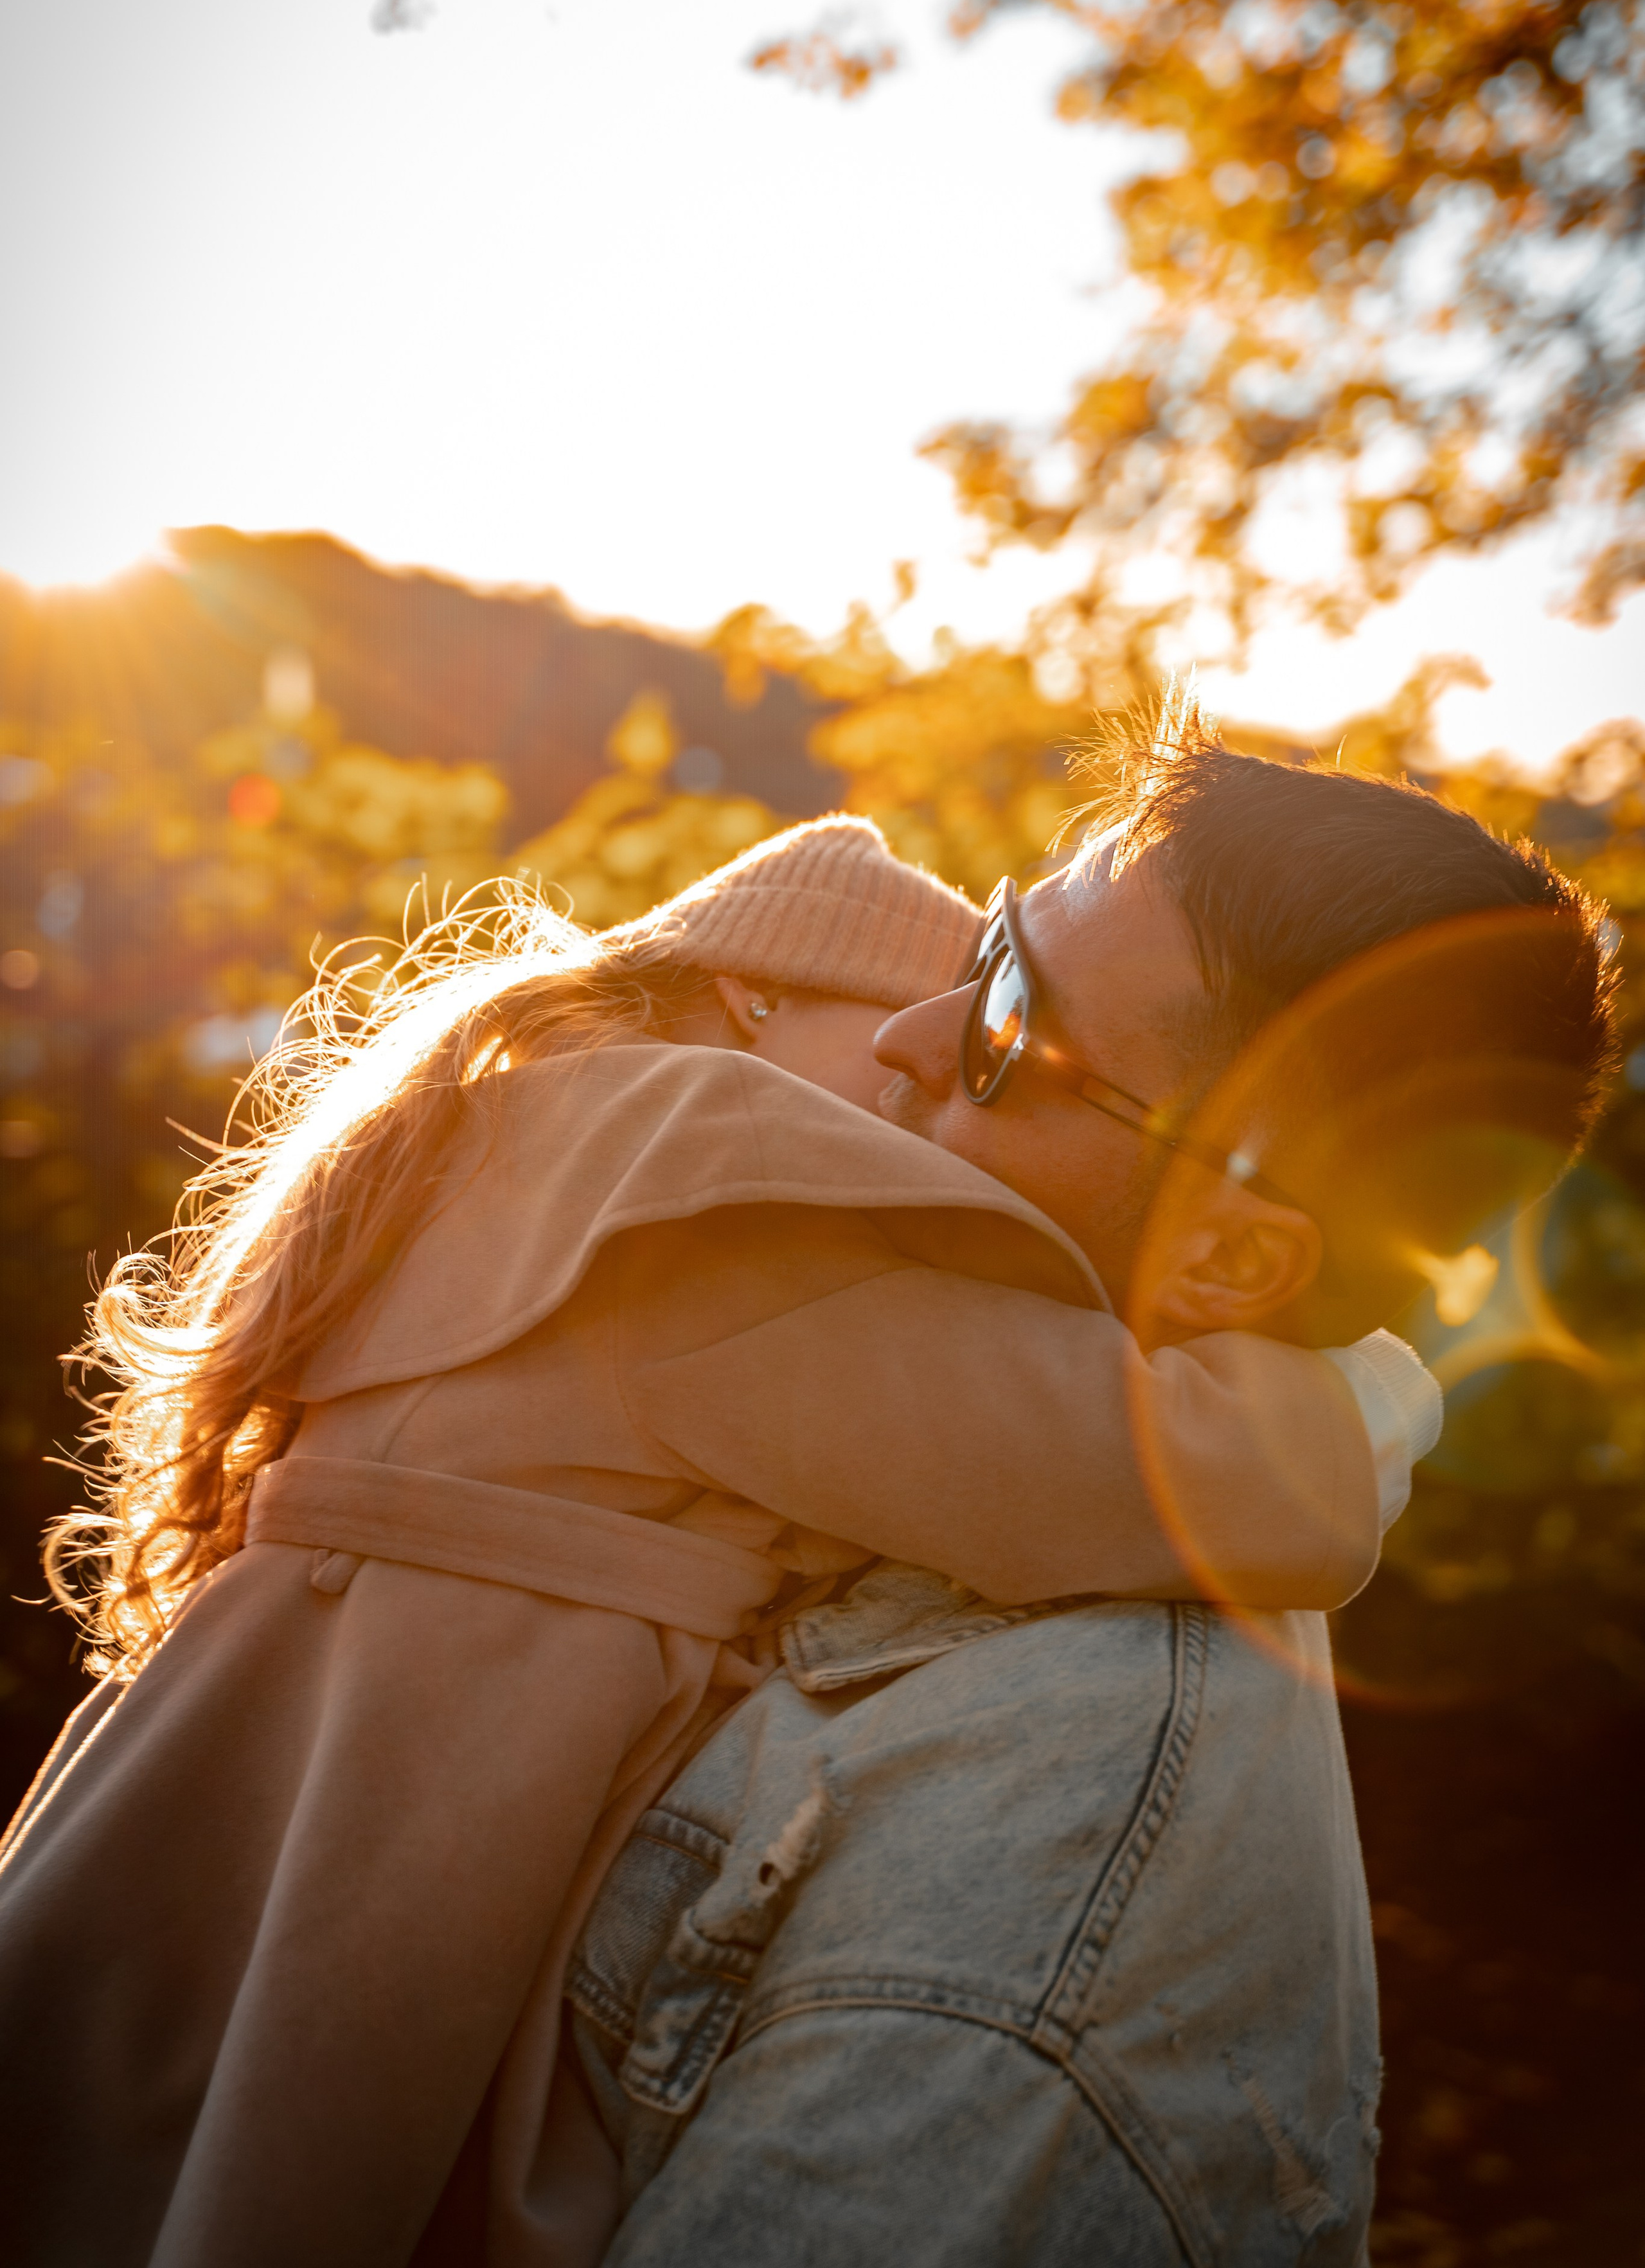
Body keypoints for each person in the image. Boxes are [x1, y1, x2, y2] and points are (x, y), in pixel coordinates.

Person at [0, 808, 1409, 2268]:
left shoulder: (541, 1148)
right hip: (398, 1836)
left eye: (991, 1015)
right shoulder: (707, 1179)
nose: (920, 1061)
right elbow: (1148, 1467)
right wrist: (1372, 1397)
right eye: (937, 999)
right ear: (757, 999)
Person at [565, 724, 1619, 2266]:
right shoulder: (892, 1483)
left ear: (1227, 1256)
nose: (905, 1033)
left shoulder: (1073, 1836)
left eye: (1005, 1016)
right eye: (990, 937)